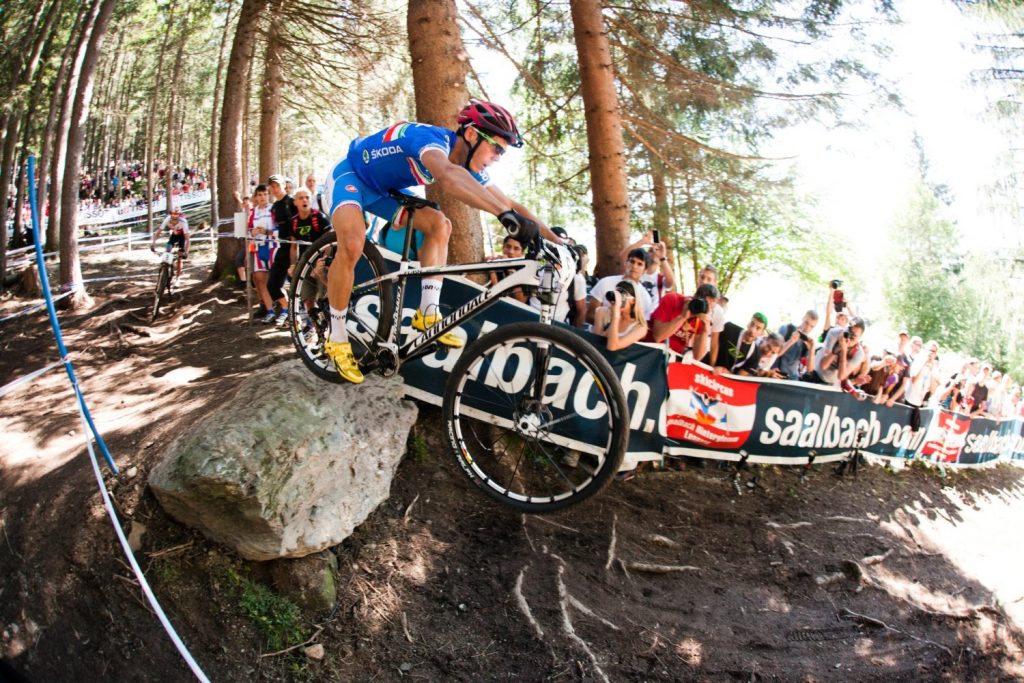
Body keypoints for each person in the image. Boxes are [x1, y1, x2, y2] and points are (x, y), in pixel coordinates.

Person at [322, 100, 554, 384]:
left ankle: (428, 314)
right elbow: (446, 176)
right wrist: (502, 215)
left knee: (439, 225)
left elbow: (509, 202)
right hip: (351, 176)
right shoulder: (431, 141)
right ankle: (336, 337)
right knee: (354, 242)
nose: (498, 157)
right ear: (471, 135)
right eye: (497, 148)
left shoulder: (465, 162)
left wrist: (558, 242)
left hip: (384, 190)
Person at [289, 187, 332, 326]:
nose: (304, 200)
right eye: (301, 198)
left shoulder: (320, 218)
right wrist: (293, 265)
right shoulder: (294, 222)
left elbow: (330, 243)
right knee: (308, 299)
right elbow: (293, 246)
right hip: (304, 263)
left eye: (307, 197)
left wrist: (323, 262)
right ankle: (317, 331)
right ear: (295, 202)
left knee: (323, 299)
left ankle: (331, 334)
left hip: (321, 262)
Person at [647, 283, 716, 361]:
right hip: (650, 350)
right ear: (694, 297)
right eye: (703, 303)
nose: (703, 308)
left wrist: (705, 331)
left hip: (671, 359)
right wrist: (682, 317)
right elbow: (657, 337)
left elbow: (697, 356)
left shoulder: (702, 318)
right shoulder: (672, 299)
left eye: (708, 307)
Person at [587, 248, 655, 324]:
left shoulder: (645, 298)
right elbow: (590, 315)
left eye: (640, 264)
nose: (634, 266)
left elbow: (640, 325)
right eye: (632, 261)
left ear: (645, 270)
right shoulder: (606, 282)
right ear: (626, 263)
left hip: (625, 335)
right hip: (597, 333)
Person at [266, 175, 296, 325]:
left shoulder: (292, 202)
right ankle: (288, 309)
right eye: (272, 186)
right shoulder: (274, 207)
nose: (275, 189)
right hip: (283, 248)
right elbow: (275, 229)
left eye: (277, 185)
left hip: (296, 248)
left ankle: (304, 319)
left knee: (297, 285)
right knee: (272, 284)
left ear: (284, 185)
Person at [802, 317, 866, 387]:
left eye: (853, 336)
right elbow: (823, 365)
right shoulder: (834, 333)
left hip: (832, 383)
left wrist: (844, 350)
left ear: (860, 337)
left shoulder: (859, 353)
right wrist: (836, 349)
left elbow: (841, 376)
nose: (849, 337)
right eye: (849, 332)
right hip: (816, 372)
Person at [248, 184, 278, 323]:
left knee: (275, 281)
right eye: (259, 195)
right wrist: (252, 232)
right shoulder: (253, 212)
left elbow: (279, 231)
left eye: (265, 194)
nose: (262, 197)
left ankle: (284, 308)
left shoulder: (274, 209)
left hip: (273, 247)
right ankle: (270, 310)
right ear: (256, 197)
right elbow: (248, 230)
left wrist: (266, 232)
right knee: (260, 281)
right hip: (259, 249)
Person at [593, 280, 648, 351]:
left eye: (622, 296)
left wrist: (616, 316)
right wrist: (614, 313)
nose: (618, 299)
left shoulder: (640, 327)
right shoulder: (601, 312)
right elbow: (597, 342)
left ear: (633, 301)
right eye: (617, 295)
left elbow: (612, 347)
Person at [151, 206, 189, 284]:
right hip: (174, 235)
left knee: (179, 257)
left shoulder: (183, 222)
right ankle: (165, 268)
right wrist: (153, 243)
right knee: (168, 249)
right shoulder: (167, 219)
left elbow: (187, 239)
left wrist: (186, 252)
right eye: (173, 214)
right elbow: (158, 232)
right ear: (171, 214)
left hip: (182, 236)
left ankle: (178, 278)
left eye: (177, 214)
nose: (175, 216)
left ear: (180, 215)